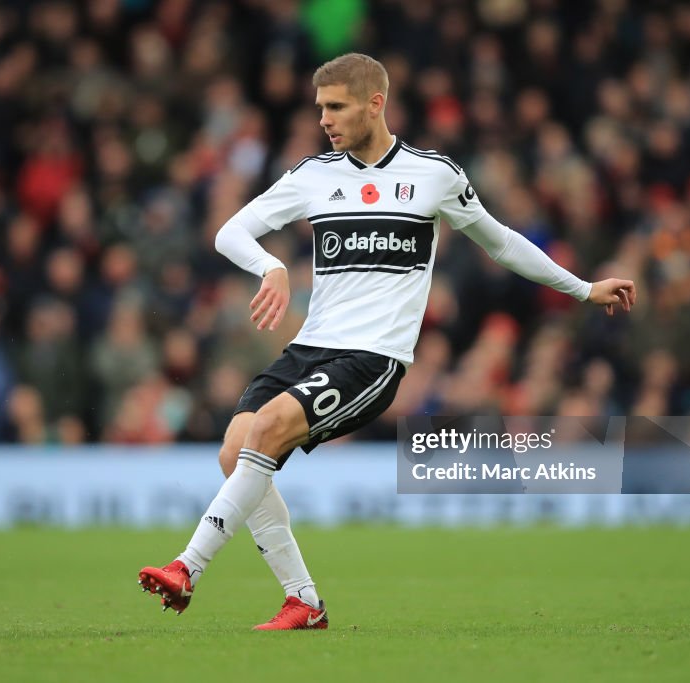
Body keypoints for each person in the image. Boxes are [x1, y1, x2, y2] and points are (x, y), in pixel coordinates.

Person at [138, 53, 636, 630]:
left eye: (336, 106)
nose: (324, 119)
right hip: (311, 348)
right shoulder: (313, 176)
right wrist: (271, 265)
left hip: (373, 358)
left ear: (375, 103)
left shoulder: (434, 175)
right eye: (320, 107)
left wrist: (582, 288)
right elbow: (230, 231)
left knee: (268, 428)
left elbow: (500, 242)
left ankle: (187, 566)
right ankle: (304, 601)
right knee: (235, 452)